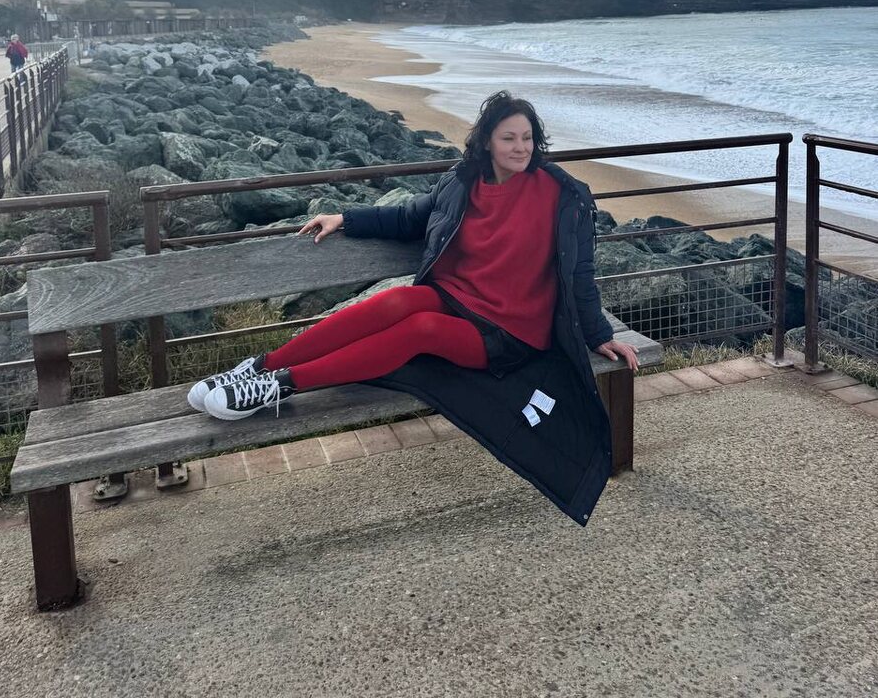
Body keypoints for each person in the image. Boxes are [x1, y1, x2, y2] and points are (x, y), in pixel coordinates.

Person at [188, 91, 639, 525]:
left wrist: (599, 335)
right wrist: (345, 218)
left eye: (527, 138)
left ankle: (281, 386)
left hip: (510, 332)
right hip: (459, 296)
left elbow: (580, 273)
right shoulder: (462, 182)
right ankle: (260, 366)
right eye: (509, 138)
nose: (521, 147)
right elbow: (408, 217)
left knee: (421, 329)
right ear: (487, 141)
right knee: (399, 299)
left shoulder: (563, 195)